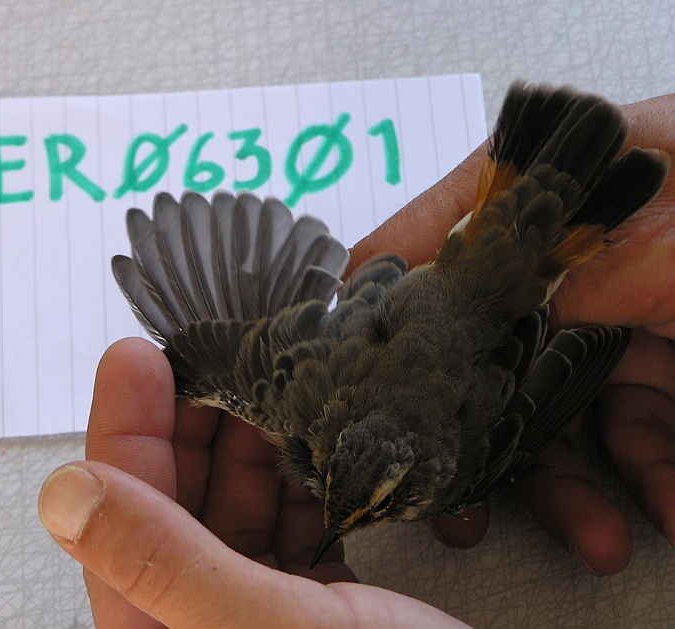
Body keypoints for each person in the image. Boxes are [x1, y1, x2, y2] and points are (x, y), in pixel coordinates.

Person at [38, 91, 675, 629]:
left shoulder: (450, 475)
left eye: (364, 510)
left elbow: (534, 409)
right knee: (216, 371)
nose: (343, 521)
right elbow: (228, 344)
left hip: (509, 302)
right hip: (459, 275)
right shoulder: (300, 395)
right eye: (360, 508)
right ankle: (538, 187)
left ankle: (561, 202)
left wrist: (597, 332)